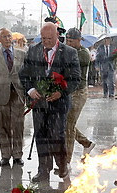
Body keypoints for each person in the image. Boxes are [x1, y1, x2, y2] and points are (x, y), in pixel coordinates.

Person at [19, 22, 81, 182]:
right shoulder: (33, 50)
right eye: (43, 38)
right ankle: (43, 170)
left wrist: (60, 92)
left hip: (58, 103)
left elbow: (75, 78)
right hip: (39, 103)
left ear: (57, 36)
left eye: (49, 38)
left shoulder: (69, 53)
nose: (45, 41)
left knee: (56, 135)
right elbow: (24, 74)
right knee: (41, 135)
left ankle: (62, 167)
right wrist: (30, 90)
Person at [0, 28, 26, 167]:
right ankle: (5, 155)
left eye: (9, 36)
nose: (8, 39)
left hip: (18, 95)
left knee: (18, 126)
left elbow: (26, 76)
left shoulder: (22, 54)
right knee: (3, 127)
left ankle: (17, 155)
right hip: (1, 95)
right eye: (4, 36)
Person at [65, 28, 96, 167]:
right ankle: (86, 143)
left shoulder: (83, 54)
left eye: (71, 41)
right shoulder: (67, 51)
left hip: (78, 93)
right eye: (67, 41)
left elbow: (70, 62)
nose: (69, 43)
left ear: (79, 40)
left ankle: (66, 161)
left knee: (68, 125)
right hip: (68, 91)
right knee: (66, 124)